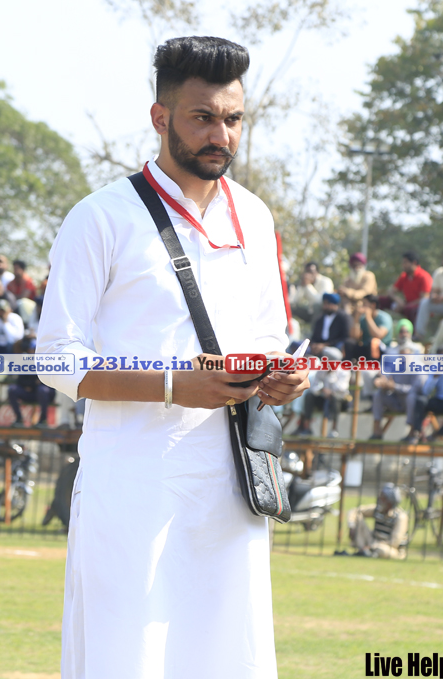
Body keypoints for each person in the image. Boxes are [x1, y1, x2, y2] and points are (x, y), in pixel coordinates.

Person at [35, 36, 309, 678]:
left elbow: (272, 336)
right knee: (128, 658)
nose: (221, 135)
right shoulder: (101, 217)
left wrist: (284, 373)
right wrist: (170, 385)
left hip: (232, 482)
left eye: (233, 119)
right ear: (161, 117)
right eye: (202, 117)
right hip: (134, 483)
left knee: (228, 658)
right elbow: (57, 359)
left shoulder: (255, 217)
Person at [347, 483, 409, 559]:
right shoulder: (378, 510)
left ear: (389, 502)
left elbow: (394, 542)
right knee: (358, 517)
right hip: (372, 542)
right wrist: (351, 526)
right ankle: (363, 550)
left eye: (383, 497)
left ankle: (368, 551)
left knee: (382, 550)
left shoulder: (400, 517)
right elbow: (355, 511)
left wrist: (373, 546)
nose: (379, 499)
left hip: (390, 549)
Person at [383, 251, 431, 325]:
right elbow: (391, 291)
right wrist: (398, 301)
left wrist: (407, 305)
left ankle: (413, 331)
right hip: (406, 305)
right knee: (383, 300)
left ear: (414, 263)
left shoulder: (424, 277)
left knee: (409, 309)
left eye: (405, 262)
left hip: (418, 308)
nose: (403, 265)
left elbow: (424, 299)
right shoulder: (404, 276)